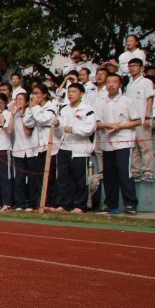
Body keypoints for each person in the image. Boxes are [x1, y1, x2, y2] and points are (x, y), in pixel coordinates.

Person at [94, 69, 139, 215]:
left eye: (114, 82)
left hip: (124, 143)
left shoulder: (127, 101)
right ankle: (111, 205)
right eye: (108, 82)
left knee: (124, 173)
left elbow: (137, 121)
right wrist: (108, 126)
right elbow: (97, 123)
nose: (111, 85)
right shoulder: (101, 103)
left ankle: (130, 204)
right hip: (107, 144)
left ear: (120, 85)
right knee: (109, 175)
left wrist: (118, 126)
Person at [53, 82, 96, 213]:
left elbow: (90, 128)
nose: (70, 94)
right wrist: (57, 123)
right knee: (63, 178)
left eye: (74, 92)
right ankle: (64, 204)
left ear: (81, 94)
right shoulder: (65, 109)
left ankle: (80, 204)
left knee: (80, 179)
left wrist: (73, 129)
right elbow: (60, 125)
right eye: (69, 92)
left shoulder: (87, 110)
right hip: (64, 147)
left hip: (79, 149)